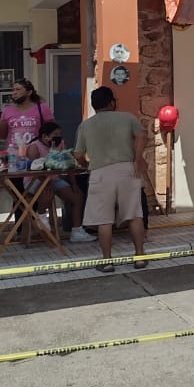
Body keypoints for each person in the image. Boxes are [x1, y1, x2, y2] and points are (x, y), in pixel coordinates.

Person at [74, 86, 157, 272]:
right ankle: (140, 256)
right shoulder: (127, 118)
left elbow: (78, 153)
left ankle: (107, 260)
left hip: (100, 172)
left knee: (104, 220)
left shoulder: (86, 125)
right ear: (112, 102)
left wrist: (86, 166)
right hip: (127, 169)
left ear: (94, 105)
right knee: (134, 215)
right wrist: (137, 158)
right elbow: (142, 135)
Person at [22, 121, 93, 242]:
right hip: (34, 180)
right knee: (46, 192)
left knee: (77, 197)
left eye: (60, 134)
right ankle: (41, 217)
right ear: (45, 136)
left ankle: (77, 231)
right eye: (55, 134)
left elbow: (68, 164)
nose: (58, 137)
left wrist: (74, 184)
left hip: (54, 179)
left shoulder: (61, 145)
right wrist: (46, 182)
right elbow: (33, 169)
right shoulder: (34, 147)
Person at [0, 78, 53, 164]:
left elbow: (51, 130)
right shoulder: (7, 110)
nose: (14, 92)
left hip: (36, 154)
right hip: (14, 156)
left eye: (18, 89)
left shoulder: (42, 107)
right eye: (13, 90)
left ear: (29, 92)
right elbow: (1, 136)